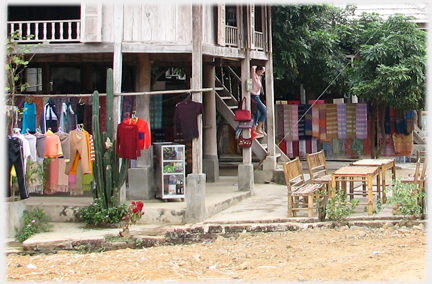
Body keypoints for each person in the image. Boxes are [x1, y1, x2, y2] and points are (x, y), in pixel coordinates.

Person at [251, 65, 267, 137]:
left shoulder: (258, 77)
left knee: (256, 114)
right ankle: (258, 128)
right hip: (254, 96)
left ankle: (254, 129)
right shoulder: (253, 76)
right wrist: (257, 65)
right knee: (264, 112)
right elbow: (253, 67)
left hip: (257, 96)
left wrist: (261, 68)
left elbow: (264, 68)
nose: (261, 73)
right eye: (260, 71)